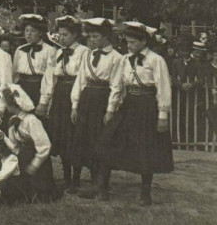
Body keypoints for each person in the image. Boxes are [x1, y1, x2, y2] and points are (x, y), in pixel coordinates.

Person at [96, 21, 174, 206]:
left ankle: (145, 193)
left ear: (143, 42)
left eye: (132, 42)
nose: (128, 45)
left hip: (147, 107)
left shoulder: (156, 60)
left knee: (146, 149)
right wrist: (110, 109)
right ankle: (103, 188)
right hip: (128, 104)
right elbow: (117, 86)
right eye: (127, 42)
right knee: (108, 141)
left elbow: (164, 88)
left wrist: (162, 116)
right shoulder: (124, 59)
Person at [71, 18, 123, 196]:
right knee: (84, 140)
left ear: (107, 37)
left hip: (103, 100)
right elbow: (80, 81)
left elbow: (117, 86)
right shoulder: (87, 54)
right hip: (87, 99)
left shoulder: (117, 58)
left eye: (95, 36)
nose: (91, 40)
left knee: (101, 142)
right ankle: (92, 183)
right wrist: (75, 105)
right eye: (89, 36)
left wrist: (110, 110)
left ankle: (102, 186)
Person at [41, 15, 90, 192]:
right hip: (60, 94)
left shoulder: (84, 52)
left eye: (65, 35)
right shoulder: (58, 52)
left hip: (76, 93)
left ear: (75, 35)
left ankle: (76, 178)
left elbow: (84, 78)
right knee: (61, 136)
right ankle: (66, 176)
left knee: (74, 137)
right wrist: (45, 101)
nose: (61, 38)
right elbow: (50, 77)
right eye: (59, 34)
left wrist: (77, 102)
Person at [2, 84, 61, 203]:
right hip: (23, 159)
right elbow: (14, 144)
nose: (5, 105)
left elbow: (44, 146)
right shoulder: (13, 120)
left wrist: (34, 165)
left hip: (38, 162)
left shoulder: (32, 121)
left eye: (6, 103)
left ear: (14, 104)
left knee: (36, 195)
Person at [11, 14, 57, 112]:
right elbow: (14, 75)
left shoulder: (50, 50)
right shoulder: (20, 49)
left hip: (38, 89)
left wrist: (43, 102)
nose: (29, 34)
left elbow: (49, 78)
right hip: (21, 89)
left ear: (40, 33)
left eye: (33, 31)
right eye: (26, 31)